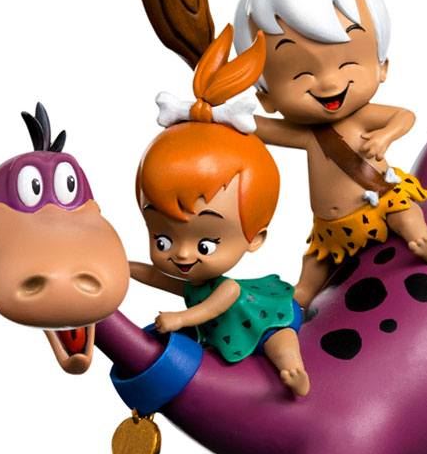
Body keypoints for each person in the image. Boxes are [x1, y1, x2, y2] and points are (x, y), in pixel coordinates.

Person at [234, 0, 427, 308]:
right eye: (300, 74)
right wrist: (214, 116)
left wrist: (384, 137)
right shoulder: (305, 133)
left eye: (348, 64)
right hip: (331, 227)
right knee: (312, 267)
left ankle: (420, 239)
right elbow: (254, 128)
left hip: (376, 201)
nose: (329, 83)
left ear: (382, 66)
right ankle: (301, 300)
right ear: (266, 95)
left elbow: (404, 116)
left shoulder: (362, 118)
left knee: (403, 211)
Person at [129, 26, 310, 397]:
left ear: (255, 237)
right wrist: (122, 267)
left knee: (278, 340)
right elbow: (156, 276)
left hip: (262, 317)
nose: (182, 254)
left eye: (205, 245)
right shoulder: (191, 283)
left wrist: (180, 318)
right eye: (162, 239)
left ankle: (293, 369)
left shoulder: (226, 288)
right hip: (223, 336)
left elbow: (209, 310)